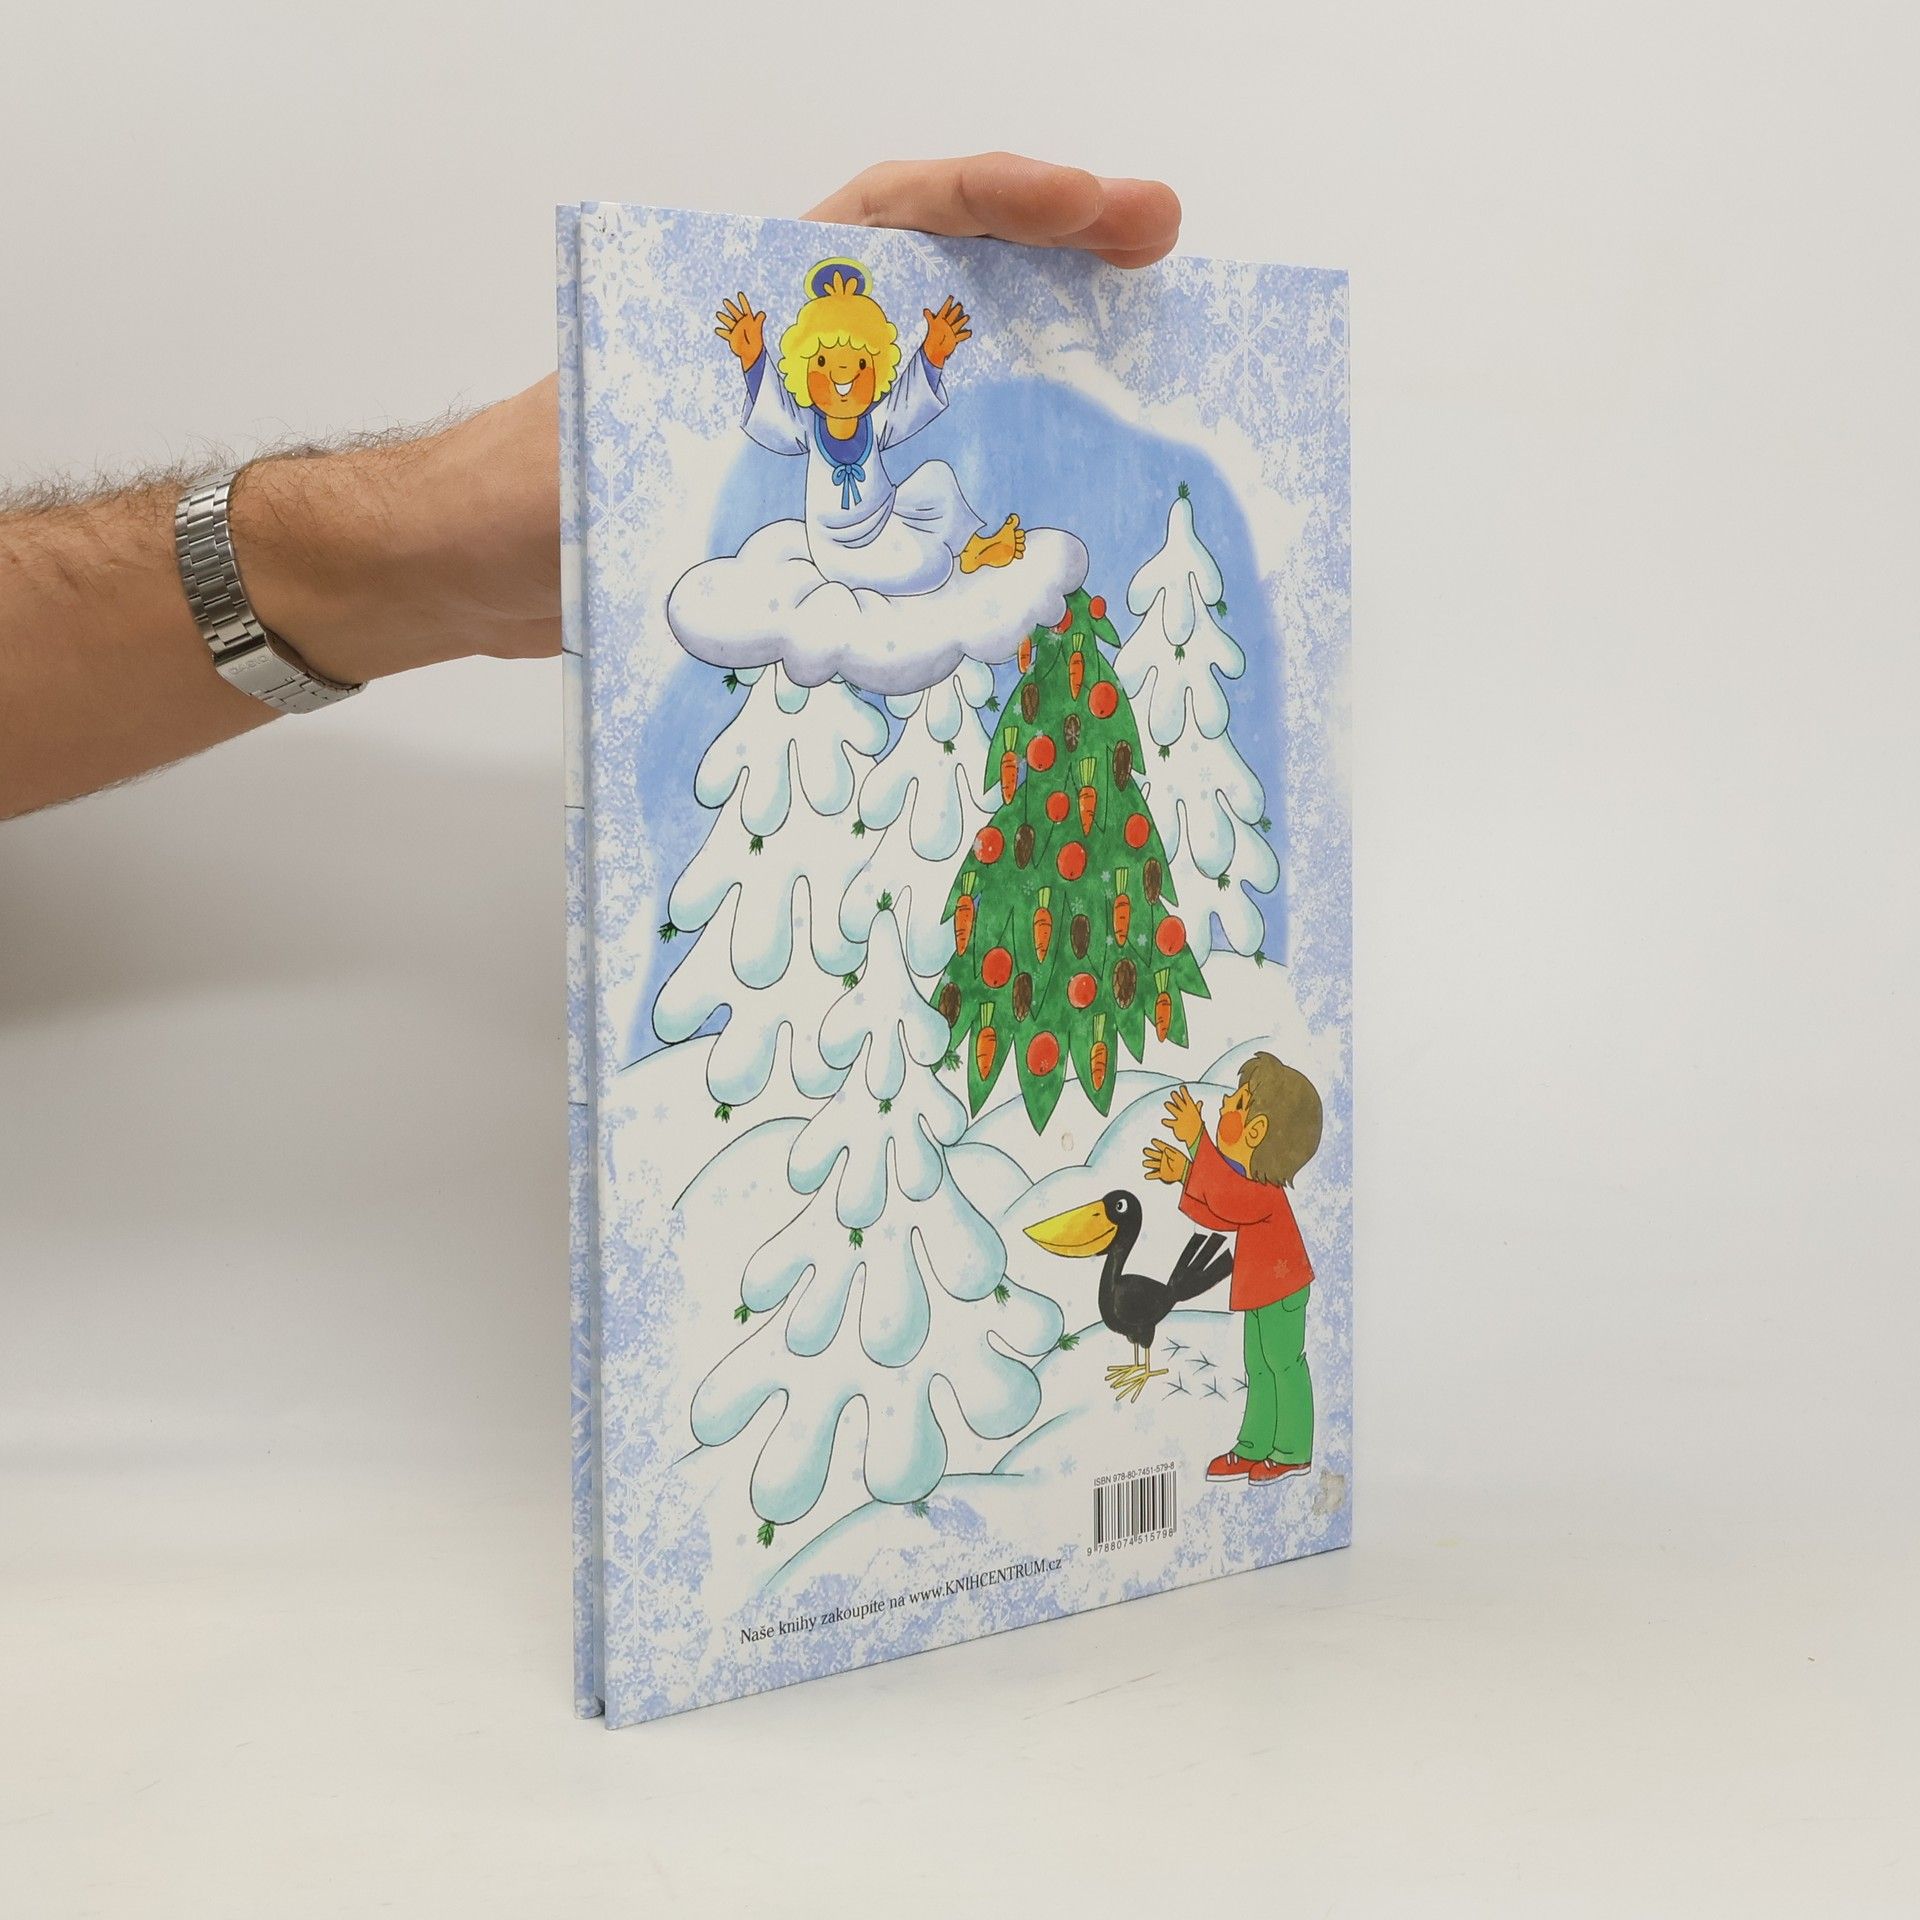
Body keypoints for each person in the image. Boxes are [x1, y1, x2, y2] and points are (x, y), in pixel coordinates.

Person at [0, 154, 1180, 821]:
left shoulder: (874, 418)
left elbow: (916, 406)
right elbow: (764, 415)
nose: (842, 383)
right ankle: (950, 567)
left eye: (855, 369)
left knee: (931, 502)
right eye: (827, 366)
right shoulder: (803, 426)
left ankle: (974, 556)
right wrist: (743, 356)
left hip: (879, 527)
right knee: (891, 548)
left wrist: (933, 350)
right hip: (839, 544)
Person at [1144, 1053, 1324, 1487]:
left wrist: (1196, 1141)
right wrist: (1185, 1173)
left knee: (1283, 1363)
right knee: (1258, 1367)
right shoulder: (1249, 1188)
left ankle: (1292, 1450)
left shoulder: (1264, 1191)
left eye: (1237, 1101)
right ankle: (1254, 1445)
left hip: (1281, 1292)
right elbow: (1223, 1211)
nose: (1225, 1103)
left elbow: (1229, 1200)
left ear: (1255, 1131)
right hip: (1262, 1291)